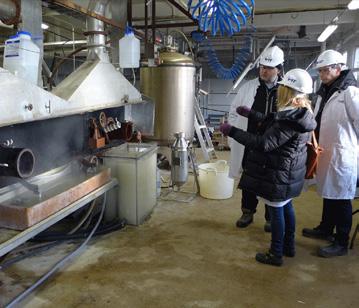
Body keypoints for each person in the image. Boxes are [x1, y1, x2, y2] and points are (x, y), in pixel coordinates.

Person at [220, 69, 316, 266]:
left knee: (276, 212)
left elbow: (264, 143)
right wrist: (252, 114)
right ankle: (289, 247)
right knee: (286, 207)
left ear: (288, 92)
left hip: (278, 174)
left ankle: (276, 253)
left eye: (282, 88)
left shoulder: (291, 120)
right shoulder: (298, 112)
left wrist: (233, 131)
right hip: (287, 172)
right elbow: (273, 119)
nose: (279, 90)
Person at [301, 50, 359, 257]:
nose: (322, 74)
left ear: (338, 68)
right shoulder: (325, 91)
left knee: (341, 197)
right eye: (321, 71)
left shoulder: (350, 92)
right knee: (329, 193)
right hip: (325, 152)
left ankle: (341, 242)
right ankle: (325, 229)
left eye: (326, 70)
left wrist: (350, 146)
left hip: (343, 154)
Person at [228, 46, 284, 231]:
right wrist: (234, 138)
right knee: (249, 177)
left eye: (268, 68)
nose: (263, 71)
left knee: (270, 180)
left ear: (279, 69)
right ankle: (247, 211)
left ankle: (270, 217)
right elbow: (233, 113)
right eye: (261, 67)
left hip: (274, 144)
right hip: (250, 141)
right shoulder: (248, 87)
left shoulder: (286, 90)